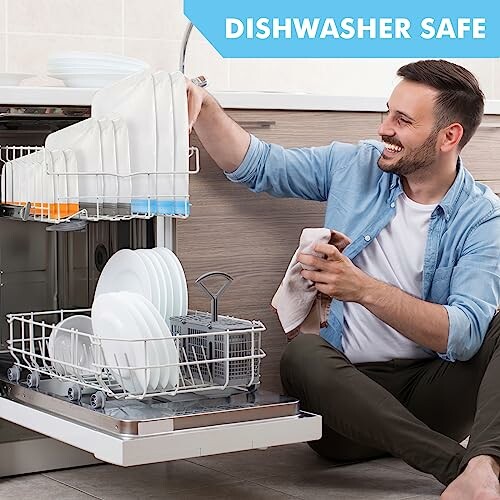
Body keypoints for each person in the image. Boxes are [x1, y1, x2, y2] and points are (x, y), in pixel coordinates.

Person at [186, 59, 500, 499]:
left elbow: (465, 336)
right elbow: (256, 164)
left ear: (450, 137)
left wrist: (363, 289)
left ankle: (484, 461)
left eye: (403, 120)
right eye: (388, 111)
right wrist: (203, 106)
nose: (384, 128)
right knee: (302, 357)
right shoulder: (356, 165)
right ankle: (461, 470)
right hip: (345, 408)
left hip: (434, 396)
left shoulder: (483, 217)